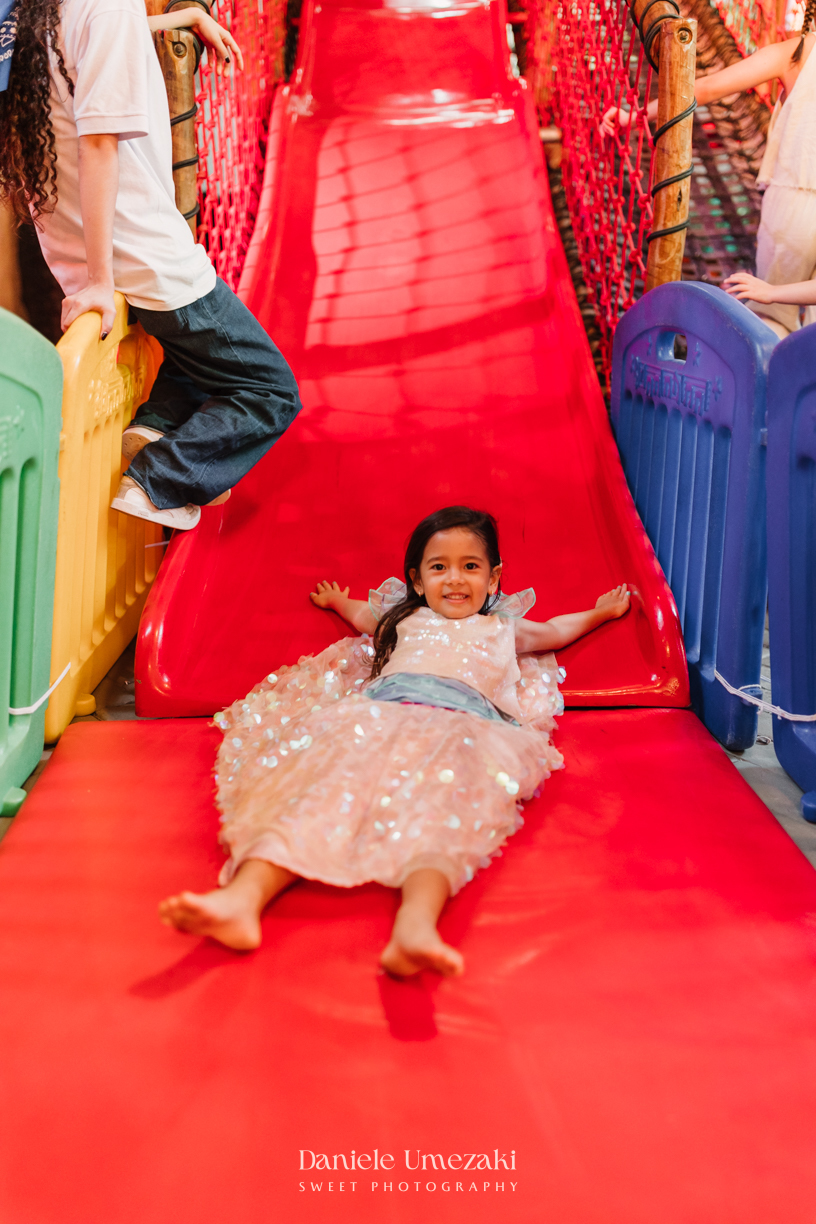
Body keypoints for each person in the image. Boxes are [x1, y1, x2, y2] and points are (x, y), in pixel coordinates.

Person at [159, 506, 631, 976]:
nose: (455, 579)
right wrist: (337, 603)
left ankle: (415, 928)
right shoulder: (406, 620)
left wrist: (601, 612)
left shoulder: (504, 629)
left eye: (471, 567)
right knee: (323, 791)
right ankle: (241, 900)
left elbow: (555, 631)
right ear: (418, 580)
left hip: (465, 727)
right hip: (378, 716)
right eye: (439, 567)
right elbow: (365, 616)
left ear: (494, 578)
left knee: (444, 811)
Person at [0, 0, 301, 530]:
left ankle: (156, 426)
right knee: (270, 389)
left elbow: (95, 39)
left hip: (87, 249)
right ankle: (159, 477)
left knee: (200, 357)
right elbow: (98, 143)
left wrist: (174, 20)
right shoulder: (108, 8)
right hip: (142, 252)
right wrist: (100, 280)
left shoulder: (46, 13)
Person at [601, 6, 816, 338]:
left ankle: (763, 384)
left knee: (773, 317)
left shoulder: (798, 52)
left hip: (792, 208)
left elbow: (707, 88)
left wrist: (636, 115)